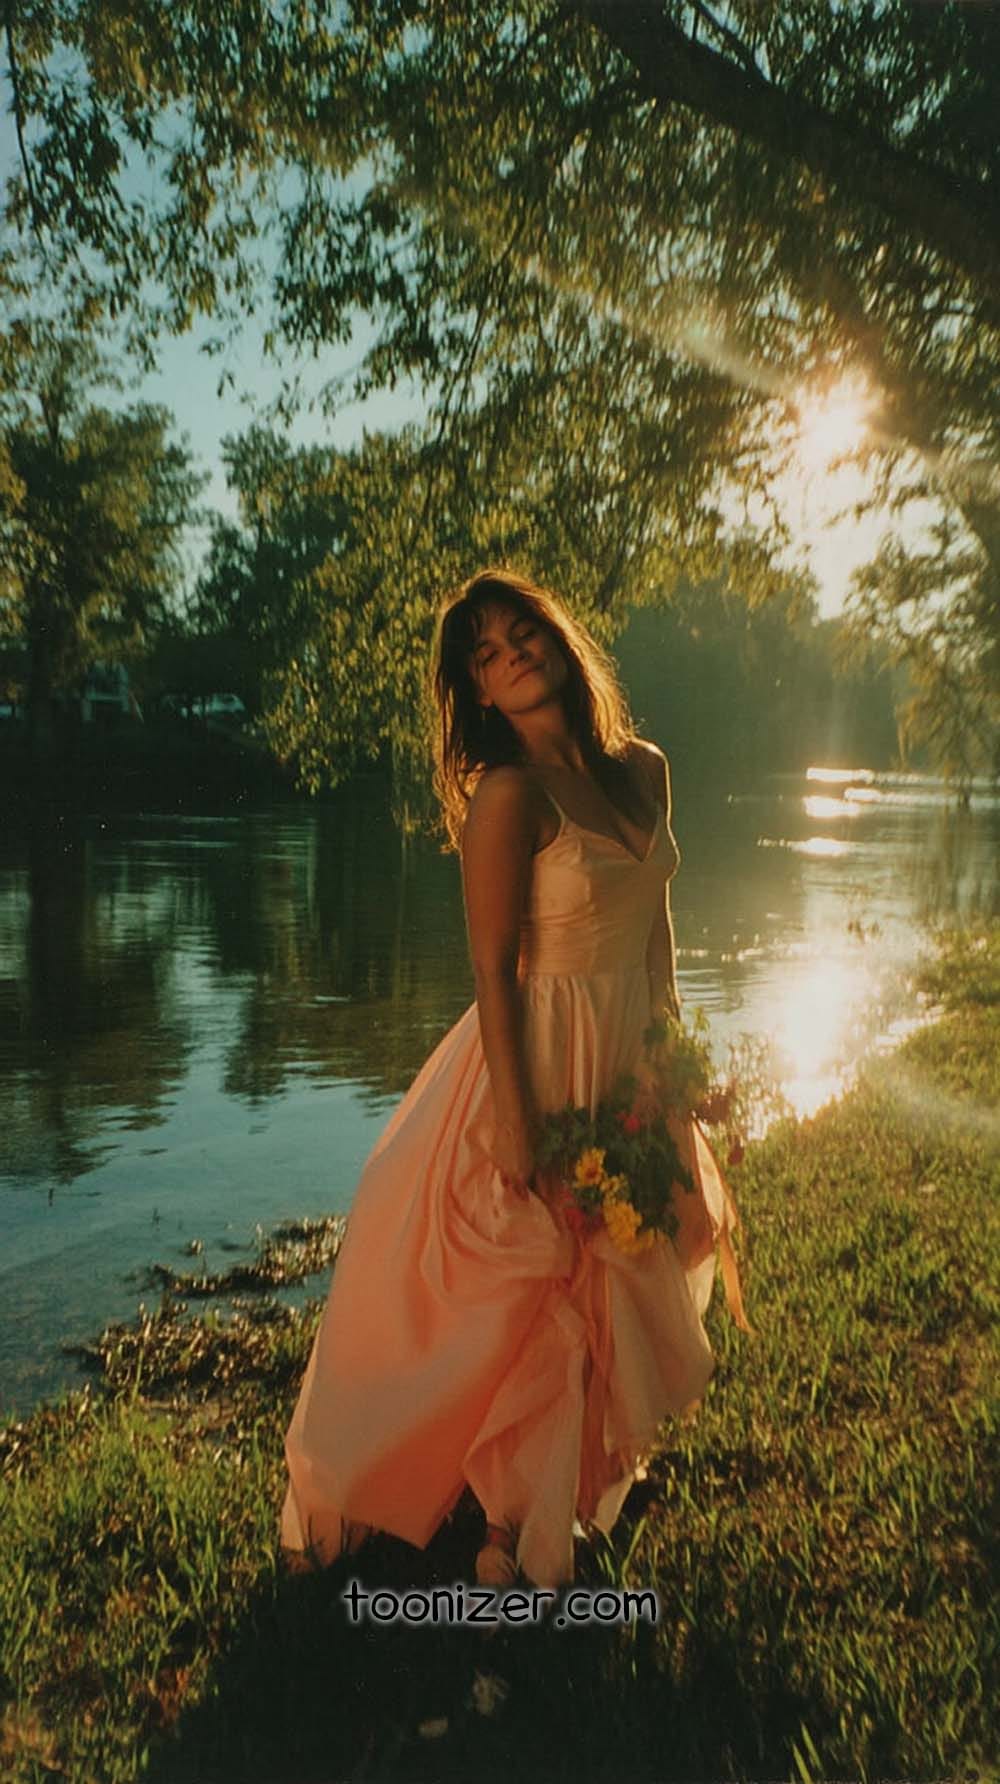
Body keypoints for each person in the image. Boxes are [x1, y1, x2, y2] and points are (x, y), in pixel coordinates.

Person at [280, 567, 748, 1591]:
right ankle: (503, 1525)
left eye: (521, 629)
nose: (513, 653)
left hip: (626, 1047)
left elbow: (657, 930)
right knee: (530, 1279)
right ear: (481, 693)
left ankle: (559, 1491)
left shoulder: (644, 770)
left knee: (617, 1260)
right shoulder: (508, 796)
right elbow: (492, 968)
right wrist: (517, 1120)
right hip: (535, 1054)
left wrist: (674, 1058)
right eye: (486, 653)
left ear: (556, 634)